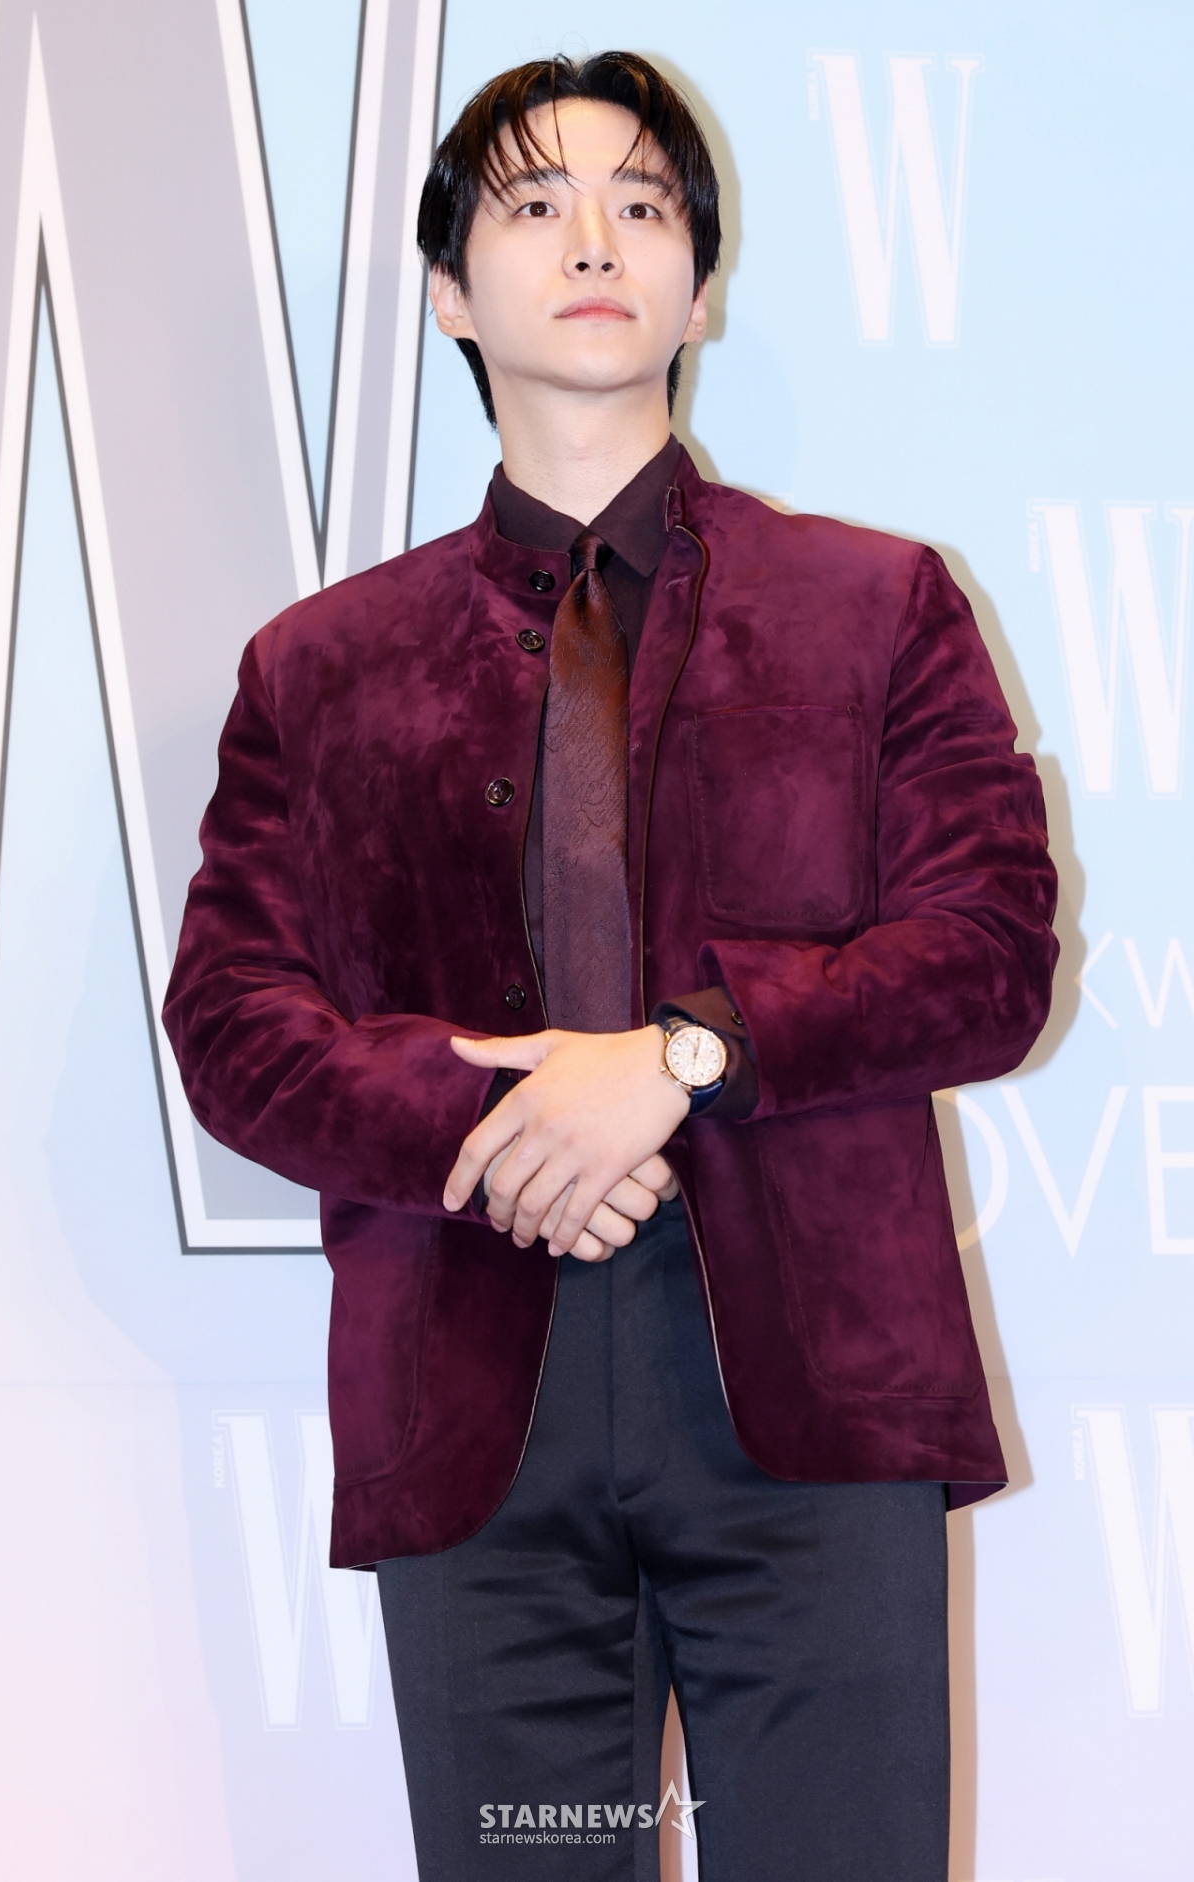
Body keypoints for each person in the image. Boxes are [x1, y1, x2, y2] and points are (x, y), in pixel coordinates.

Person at [164, 51, 1058, 1882]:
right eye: (534, 204)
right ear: (447, 291)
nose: (595, 239)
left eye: (643, 205)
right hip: (476, 1416)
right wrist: (502, 1118)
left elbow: (988, 949)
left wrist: (683, 1053)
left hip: (814, 1416)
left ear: (700, 291)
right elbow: (234, 1022)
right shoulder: (318, 667)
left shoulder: (879, 606)